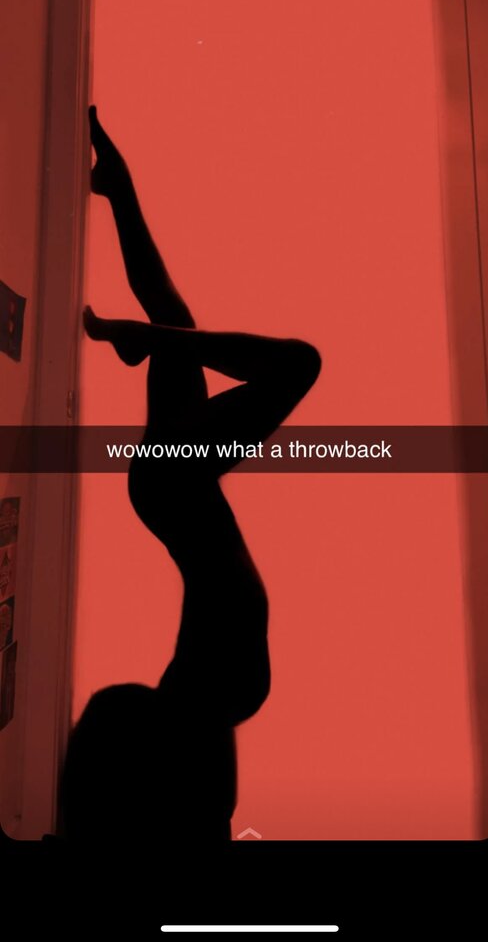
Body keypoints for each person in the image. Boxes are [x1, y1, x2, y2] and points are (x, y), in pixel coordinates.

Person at [59, 106, 321, 847]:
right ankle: (116, 191)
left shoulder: (192, 704)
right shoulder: (197, 705)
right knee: (178, 320)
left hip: (173, 486)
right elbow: (206, 813)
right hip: (176, 487)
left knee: (295, 365)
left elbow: (186, 801)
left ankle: (142, 336)